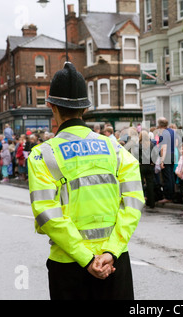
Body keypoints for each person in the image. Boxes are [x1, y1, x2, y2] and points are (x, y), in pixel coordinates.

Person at [28, 62, 144, 299]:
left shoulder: (43, 154)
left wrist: (87, 259)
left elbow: (47, 214)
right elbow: (133, 201)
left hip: (69, 265)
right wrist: (111, 251)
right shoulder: (114, 147)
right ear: (86, 108)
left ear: (52, 106)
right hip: (114, 262)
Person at [157, 117, 176, 204]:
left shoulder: (163, 133)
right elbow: (176, 144)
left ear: (160, 125)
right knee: (171, 176)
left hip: (166, 156)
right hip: (173, 155)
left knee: (167, 177)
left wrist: (162, 160)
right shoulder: (172, 131)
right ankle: (172, 195)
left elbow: (163, 147)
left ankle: (168, 196)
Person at [138, 130, 157, 209]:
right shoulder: (151, 144)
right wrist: (153, 162)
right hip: (150, 165)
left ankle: (141, 202)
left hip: (142, 165)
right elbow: (155, 154)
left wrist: (139, 161)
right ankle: (151, 202)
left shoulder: (138, 145)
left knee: (141, 184)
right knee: (150, 184)